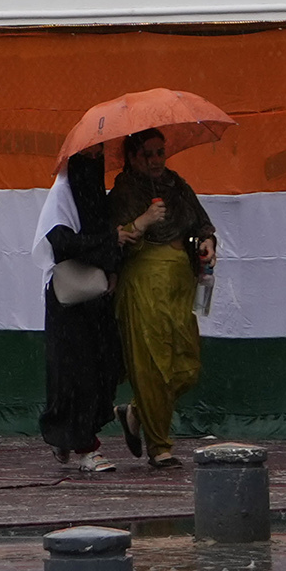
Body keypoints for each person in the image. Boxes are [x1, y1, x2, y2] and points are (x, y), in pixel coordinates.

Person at [86, 128, 218, 467]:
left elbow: (202, 224)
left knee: (186, 366)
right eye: (149, 153)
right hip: (143, 284)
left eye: (161, 152)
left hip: (179, 284)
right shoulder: (124, 192)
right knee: (152, 365)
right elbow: (113, 238)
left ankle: (136, 411)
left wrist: (207, 243)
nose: (157, 160)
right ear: (132, 158)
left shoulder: (177, 186)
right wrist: (143, 222)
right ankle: (160, 448)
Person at [37, 151, 130, 476]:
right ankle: (87, 448)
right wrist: (109, 240)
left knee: (104, 367)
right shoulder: (62, 197)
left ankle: (66, 434)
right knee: (77, 373)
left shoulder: (94, 198)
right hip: (70, 302)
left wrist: (112, 268)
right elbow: (62, 243)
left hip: (98, 297)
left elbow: (101, 232)